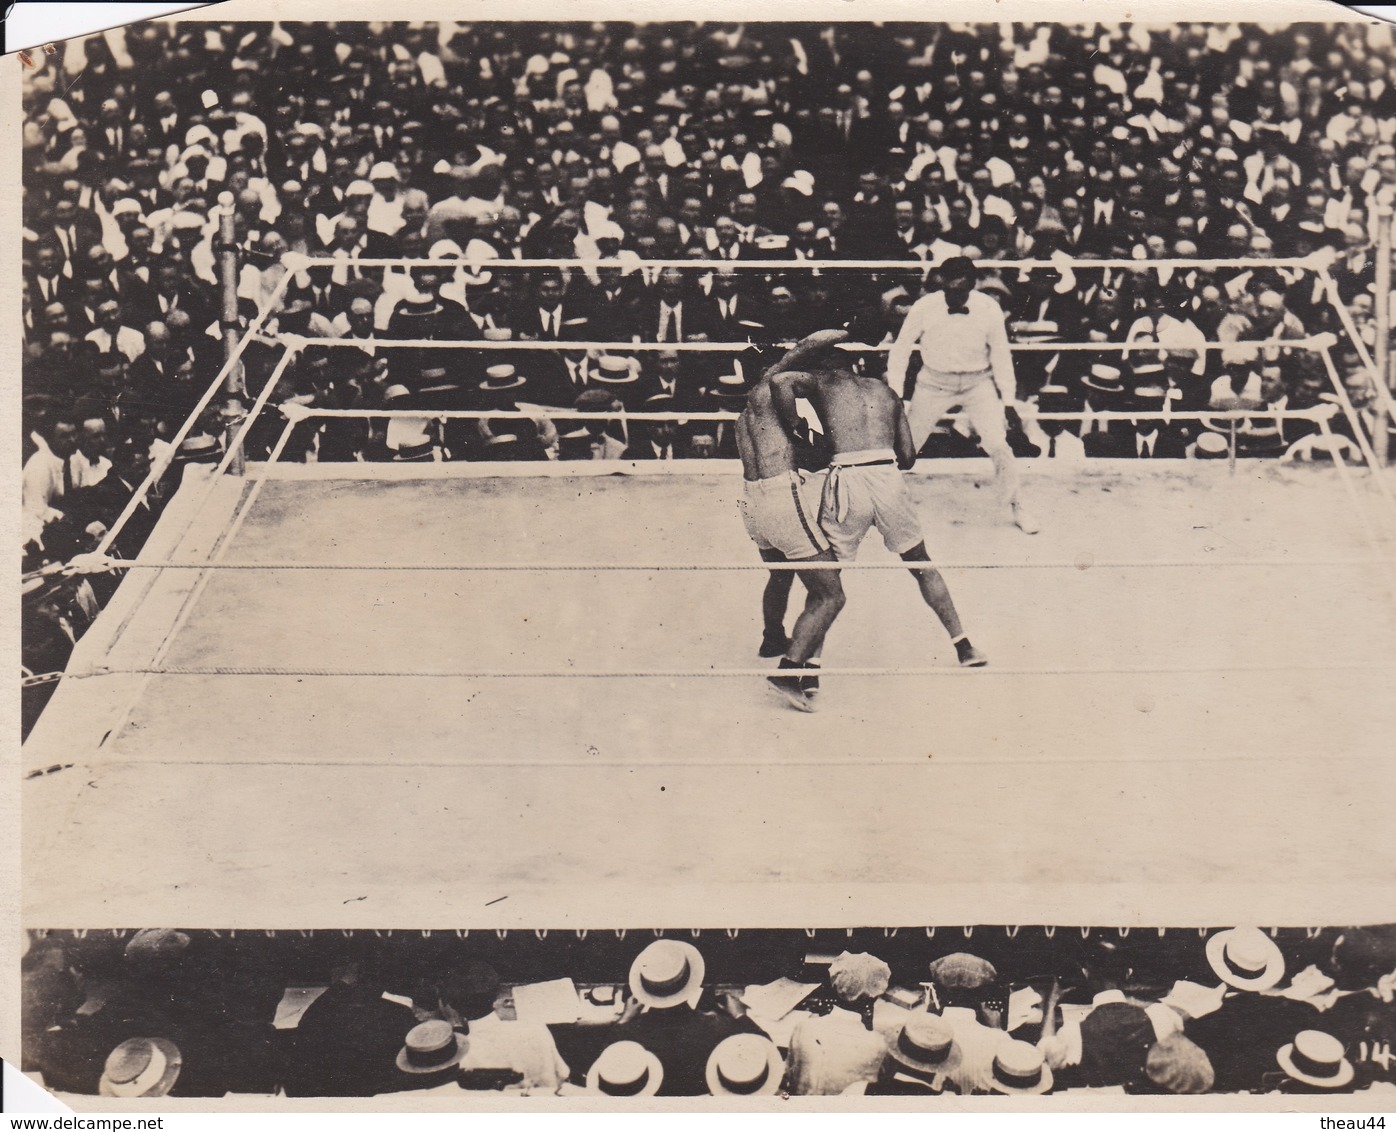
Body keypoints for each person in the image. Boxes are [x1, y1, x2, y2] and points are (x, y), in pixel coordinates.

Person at [770, 334, 987, 669]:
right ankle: (965, 646)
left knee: (827, 581)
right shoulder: (885, 391)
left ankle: (808, 669)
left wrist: (800, 430)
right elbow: (909, 456)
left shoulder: (821, 382)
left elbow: (781, 381)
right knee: (920, 561)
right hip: (888, 476)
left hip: (848, 478)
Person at [735, 329, 850, 712]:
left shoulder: (745, 413)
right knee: (831, 593)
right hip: (780, 498)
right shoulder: (768, 389)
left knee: (780, 573)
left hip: (752, 503)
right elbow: (810, 343)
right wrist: (854, 329)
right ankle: (790, 670)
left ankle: (773, 638)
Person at [885, 256, 1039, 534]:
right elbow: (901, 348)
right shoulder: (924, 306)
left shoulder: (989, 308)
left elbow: (1001, 355)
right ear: (941, 283)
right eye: (949, 290)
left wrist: (1007, 400)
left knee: (998, 444)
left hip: (977, 383)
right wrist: (896, 394)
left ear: (973, 285)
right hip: (933, 382)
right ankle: (880, 504)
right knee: (907, 446)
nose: (955, 297)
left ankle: (1017, 505)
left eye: (961, 291)